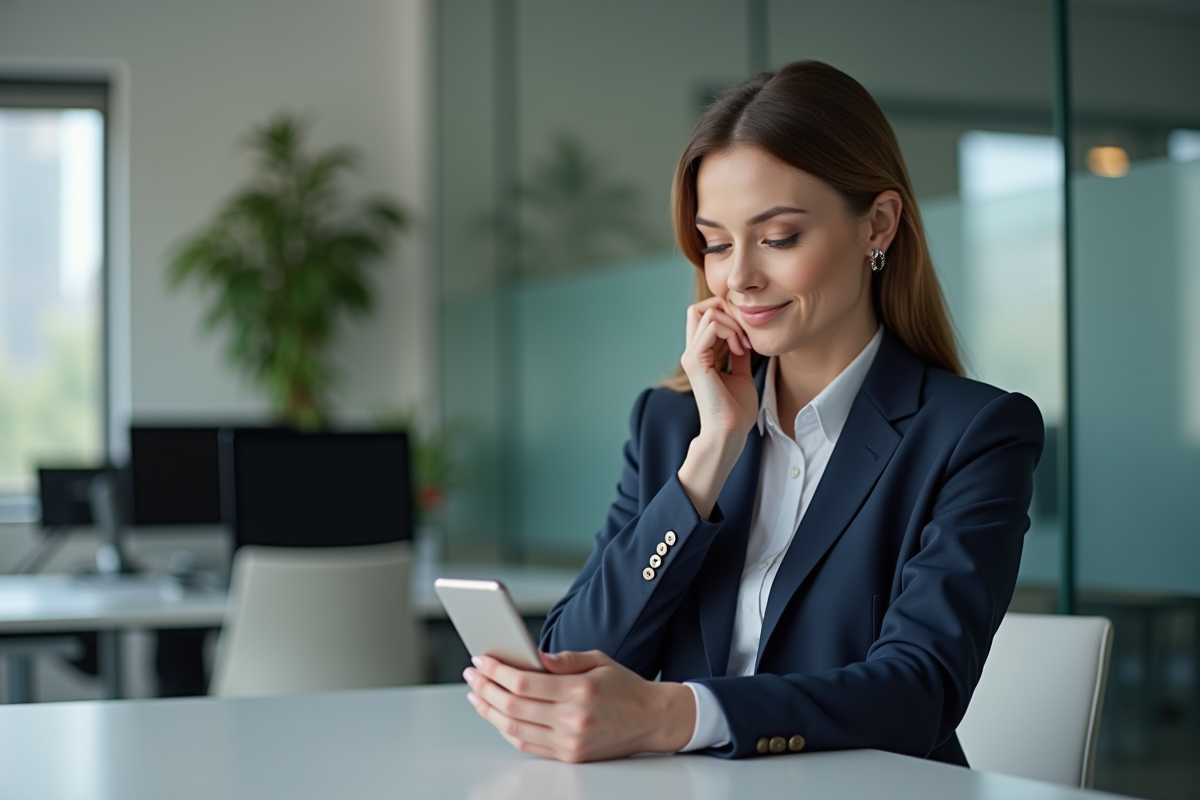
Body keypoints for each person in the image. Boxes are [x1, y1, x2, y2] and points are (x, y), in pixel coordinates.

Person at [462, 60, 1044, 765]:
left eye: (778, 237)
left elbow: (919, 689)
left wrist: (678, 714)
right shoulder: (671, 424)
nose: (739, 277)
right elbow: (568, 656)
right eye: (715, 243)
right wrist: (709, 461)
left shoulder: (973, 435)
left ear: (878, 226)